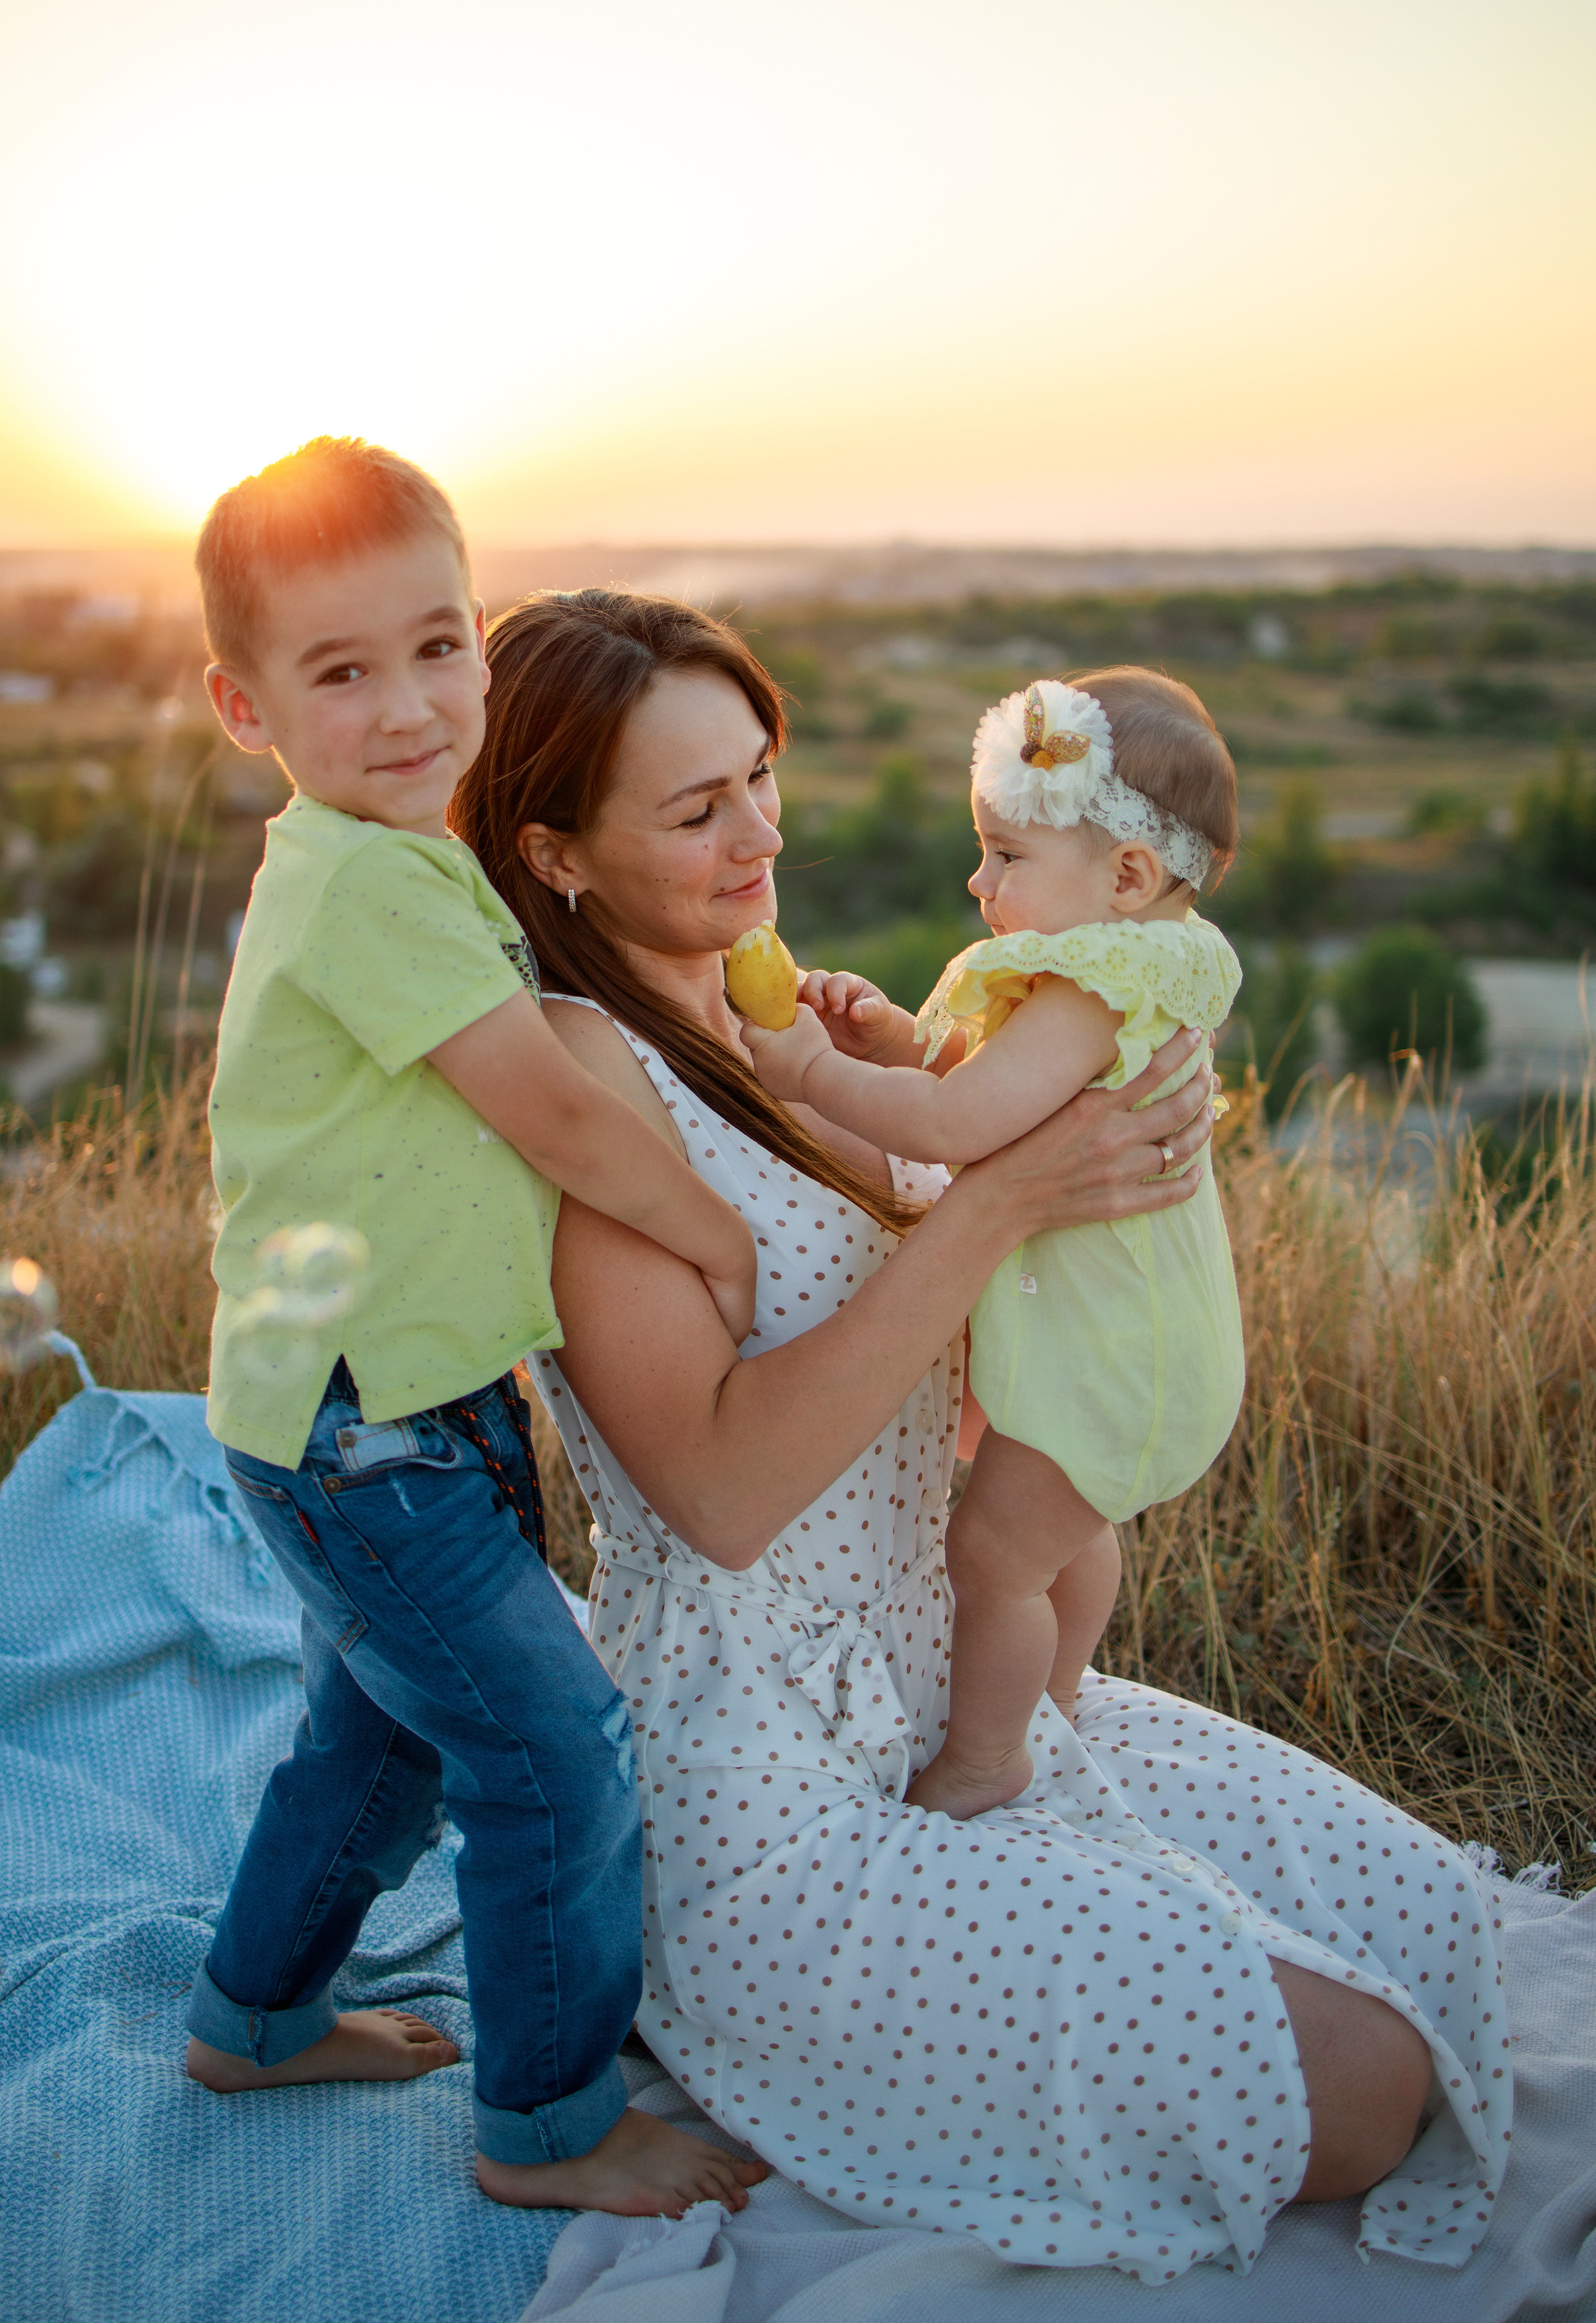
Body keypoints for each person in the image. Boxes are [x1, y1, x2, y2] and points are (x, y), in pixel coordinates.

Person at [452, 584, 1511, 2286]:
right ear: (557, 854)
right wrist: (1000, 1204)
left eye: (762, 776)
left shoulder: (749, 1007)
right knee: (1371, 2089)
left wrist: (1042, 1141)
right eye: (697, 805)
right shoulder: (586, 1081)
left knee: (1433, 1923)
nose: (759, 833)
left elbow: (940, 1227)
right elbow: (719, 1493)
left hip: (947, 1680)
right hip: (778, 1798)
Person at [182, 439, 766, 2221]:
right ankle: (551, 2126)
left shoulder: (392, 860)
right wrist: (712, 1231)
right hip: (368, 1436)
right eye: (341, 672)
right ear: (240, 702)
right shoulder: (361, 884)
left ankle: (253, 2019)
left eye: (439, 647)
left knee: (377, 1743)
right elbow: (557, 1112)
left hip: (396, 1407)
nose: (410, 704)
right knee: (553, 1754)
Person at [741, 669, 1246, 1821]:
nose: (979, 883)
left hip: (1117, 1359)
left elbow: (964, 1130)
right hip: (1131, 1351)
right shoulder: (1125, 964)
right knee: (1066, 1532)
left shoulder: (1088, 988)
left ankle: (985, 1760)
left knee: (993, 1555)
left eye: (1007, 856)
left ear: (1126, 875)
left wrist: (817, 1073)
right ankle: (1053, 1695)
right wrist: (900, 1052)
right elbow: (989, 1098)